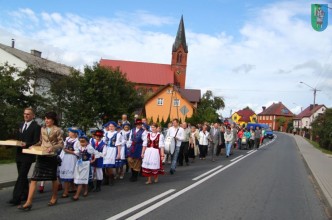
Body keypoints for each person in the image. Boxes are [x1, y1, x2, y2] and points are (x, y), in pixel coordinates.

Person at [19, 112, 64, 211]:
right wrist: (34, 146)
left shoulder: (58, 130)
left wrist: (52, 148)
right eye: (45, 119)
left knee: (53, 178)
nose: (46, 120)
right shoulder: (42, 128)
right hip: (41, 156)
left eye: (48, 119)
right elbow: (41, 141)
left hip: (51, 156)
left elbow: (61, 144)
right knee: (34, 179)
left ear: (53, 120)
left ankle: (54, 197)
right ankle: (29, 202)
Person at [8, 108, 41, 206]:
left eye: (28, 114)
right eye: (24, 114)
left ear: (33, 116)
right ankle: (25, 194)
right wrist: (9, 143)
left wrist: (26, 144)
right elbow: (17, 138)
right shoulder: (20, 125)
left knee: (21, 176)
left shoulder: (36, 127)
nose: (26, 115)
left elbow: (36, 141)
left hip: (28, 155)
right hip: (19, 154)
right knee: (22, 176)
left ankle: (16, 198)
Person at [72, 135, 101, 201]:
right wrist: (67, 151)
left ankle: (77, 195)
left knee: (82, 179)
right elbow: (76, 153)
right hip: (79, 164)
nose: (81, 143)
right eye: (81, 142)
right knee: (83, 178)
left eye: (83, 142)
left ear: (87, 142)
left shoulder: (89, 148)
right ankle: (86, 190)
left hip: (86, 165)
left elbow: (96, 153)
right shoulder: (79, 147)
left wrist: (93, 160)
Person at [59, 127, 79, 198]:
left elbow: (78, 152)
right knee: (68, 173)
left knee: (69, 173)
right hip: (65, 157)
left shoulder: (77, 141)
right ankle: (73, 187)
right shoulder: (67, 139)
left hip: (72, 158)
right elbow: (63, 146)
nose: (69, 133)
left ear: (74, 133)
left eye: (70, 132)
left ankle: (66, 191)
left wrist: (69, 151)